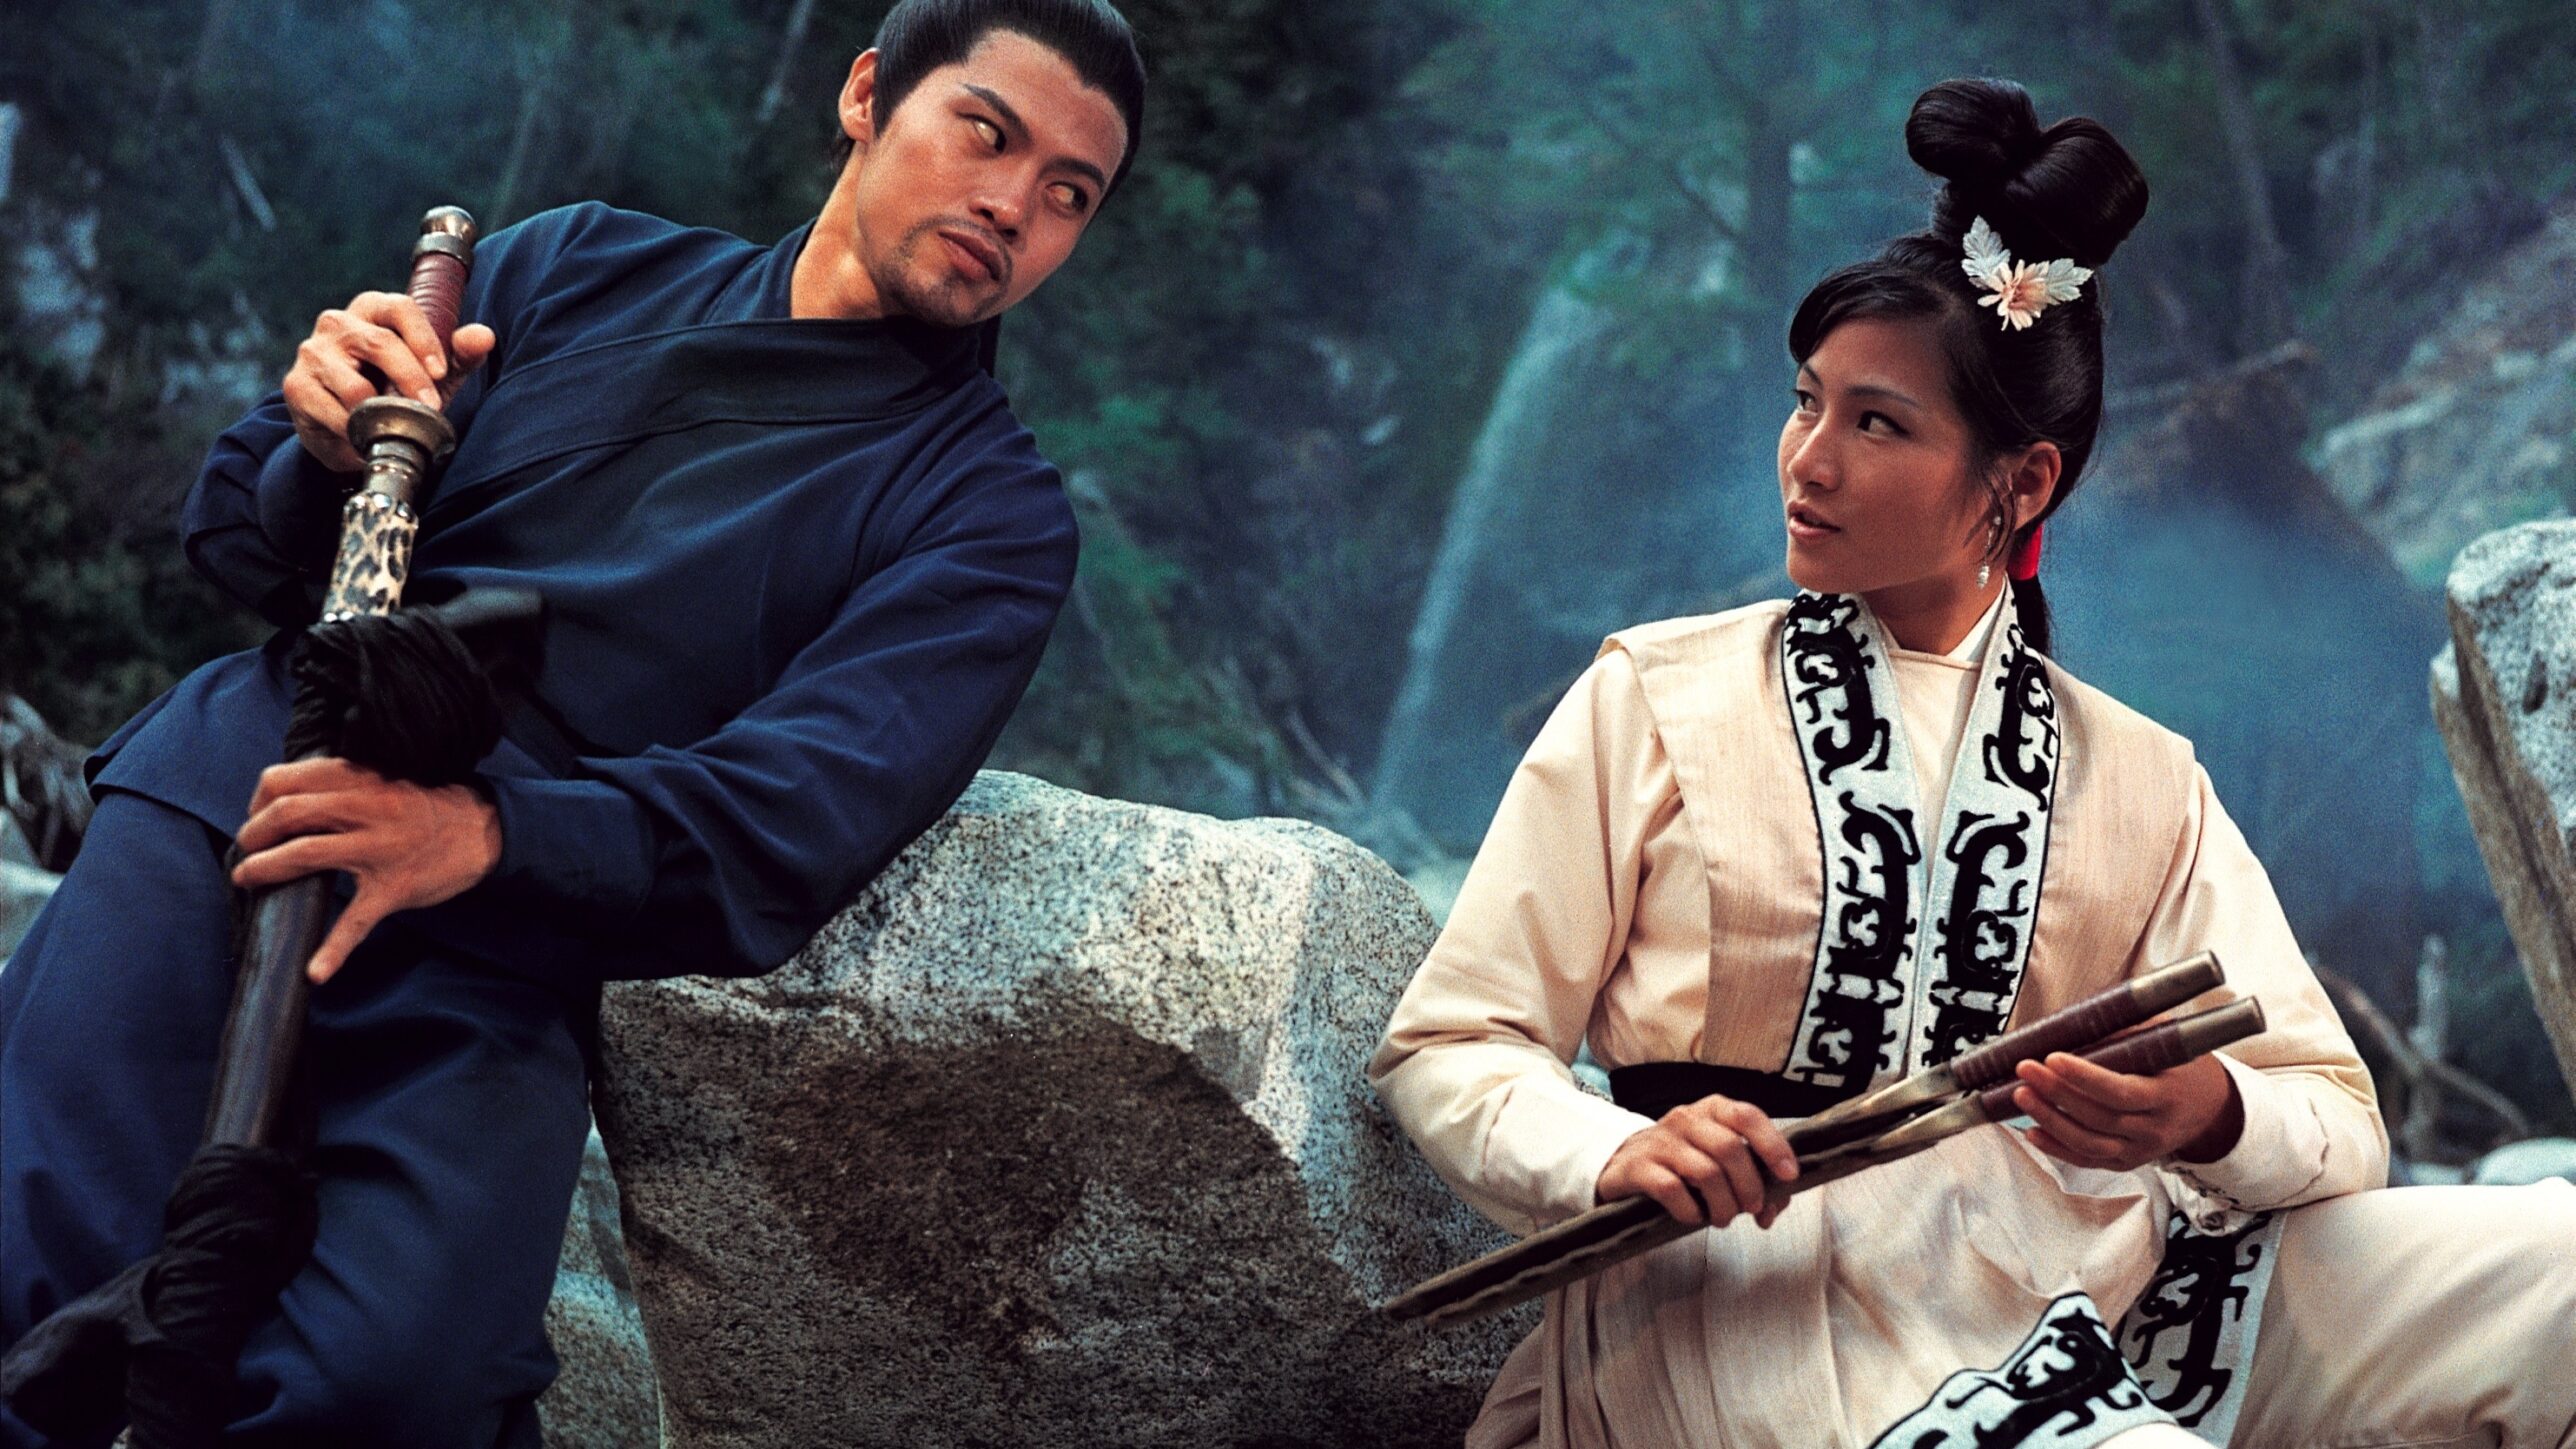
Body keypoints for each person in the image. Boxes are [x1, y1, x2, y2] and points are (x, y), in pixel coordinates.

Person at [1370, 78, 2576, 1449]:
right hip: (1772, 1307)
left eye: (1876, 423)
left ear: (2023, 482)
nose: (1808, 462)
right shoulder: (1656, 696)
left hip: (2099, 1274)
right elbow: (1453, 1041)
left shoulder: (2139, 774)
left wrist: (2202, 1111)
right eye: (1806, 404)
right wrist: (1616, 1147)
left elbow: (2338, 1116)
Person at [0, 1, 1143, 1443]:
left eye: (1069, 195)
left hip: (503, 918)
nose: (1013, 207)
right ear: (867, 96)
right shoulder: (575, 264)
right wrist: (317, 441)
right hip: (247, 790)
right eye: (987, 132)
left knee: (394, 1384)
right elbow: (236, 536)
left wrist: (480, 834)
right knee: (29, 1248)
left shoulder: (988, 509)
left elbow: (797, 812)